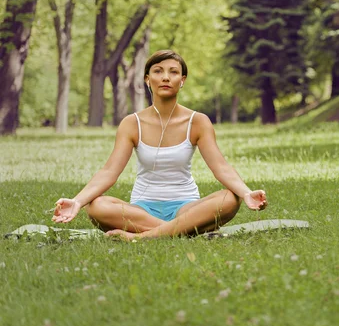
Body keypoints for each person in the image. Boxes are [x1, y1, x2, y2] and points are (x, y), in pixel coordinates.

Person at [52, 50, 267, 240]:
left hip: (187, 207)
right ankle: (180, 232)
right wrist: (78, 202)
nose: (165, 77)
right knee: (97, 206)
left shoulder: (198, 121)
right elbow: (109, 171)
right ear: (147, 79)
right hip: (141, 210)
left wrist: (246, 193)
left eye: (173, 72)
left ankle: (142, 237)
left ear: (182, 80)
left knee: (229, 198)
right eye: (158, 71)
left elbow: (221, 166)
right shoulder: (131, 123)